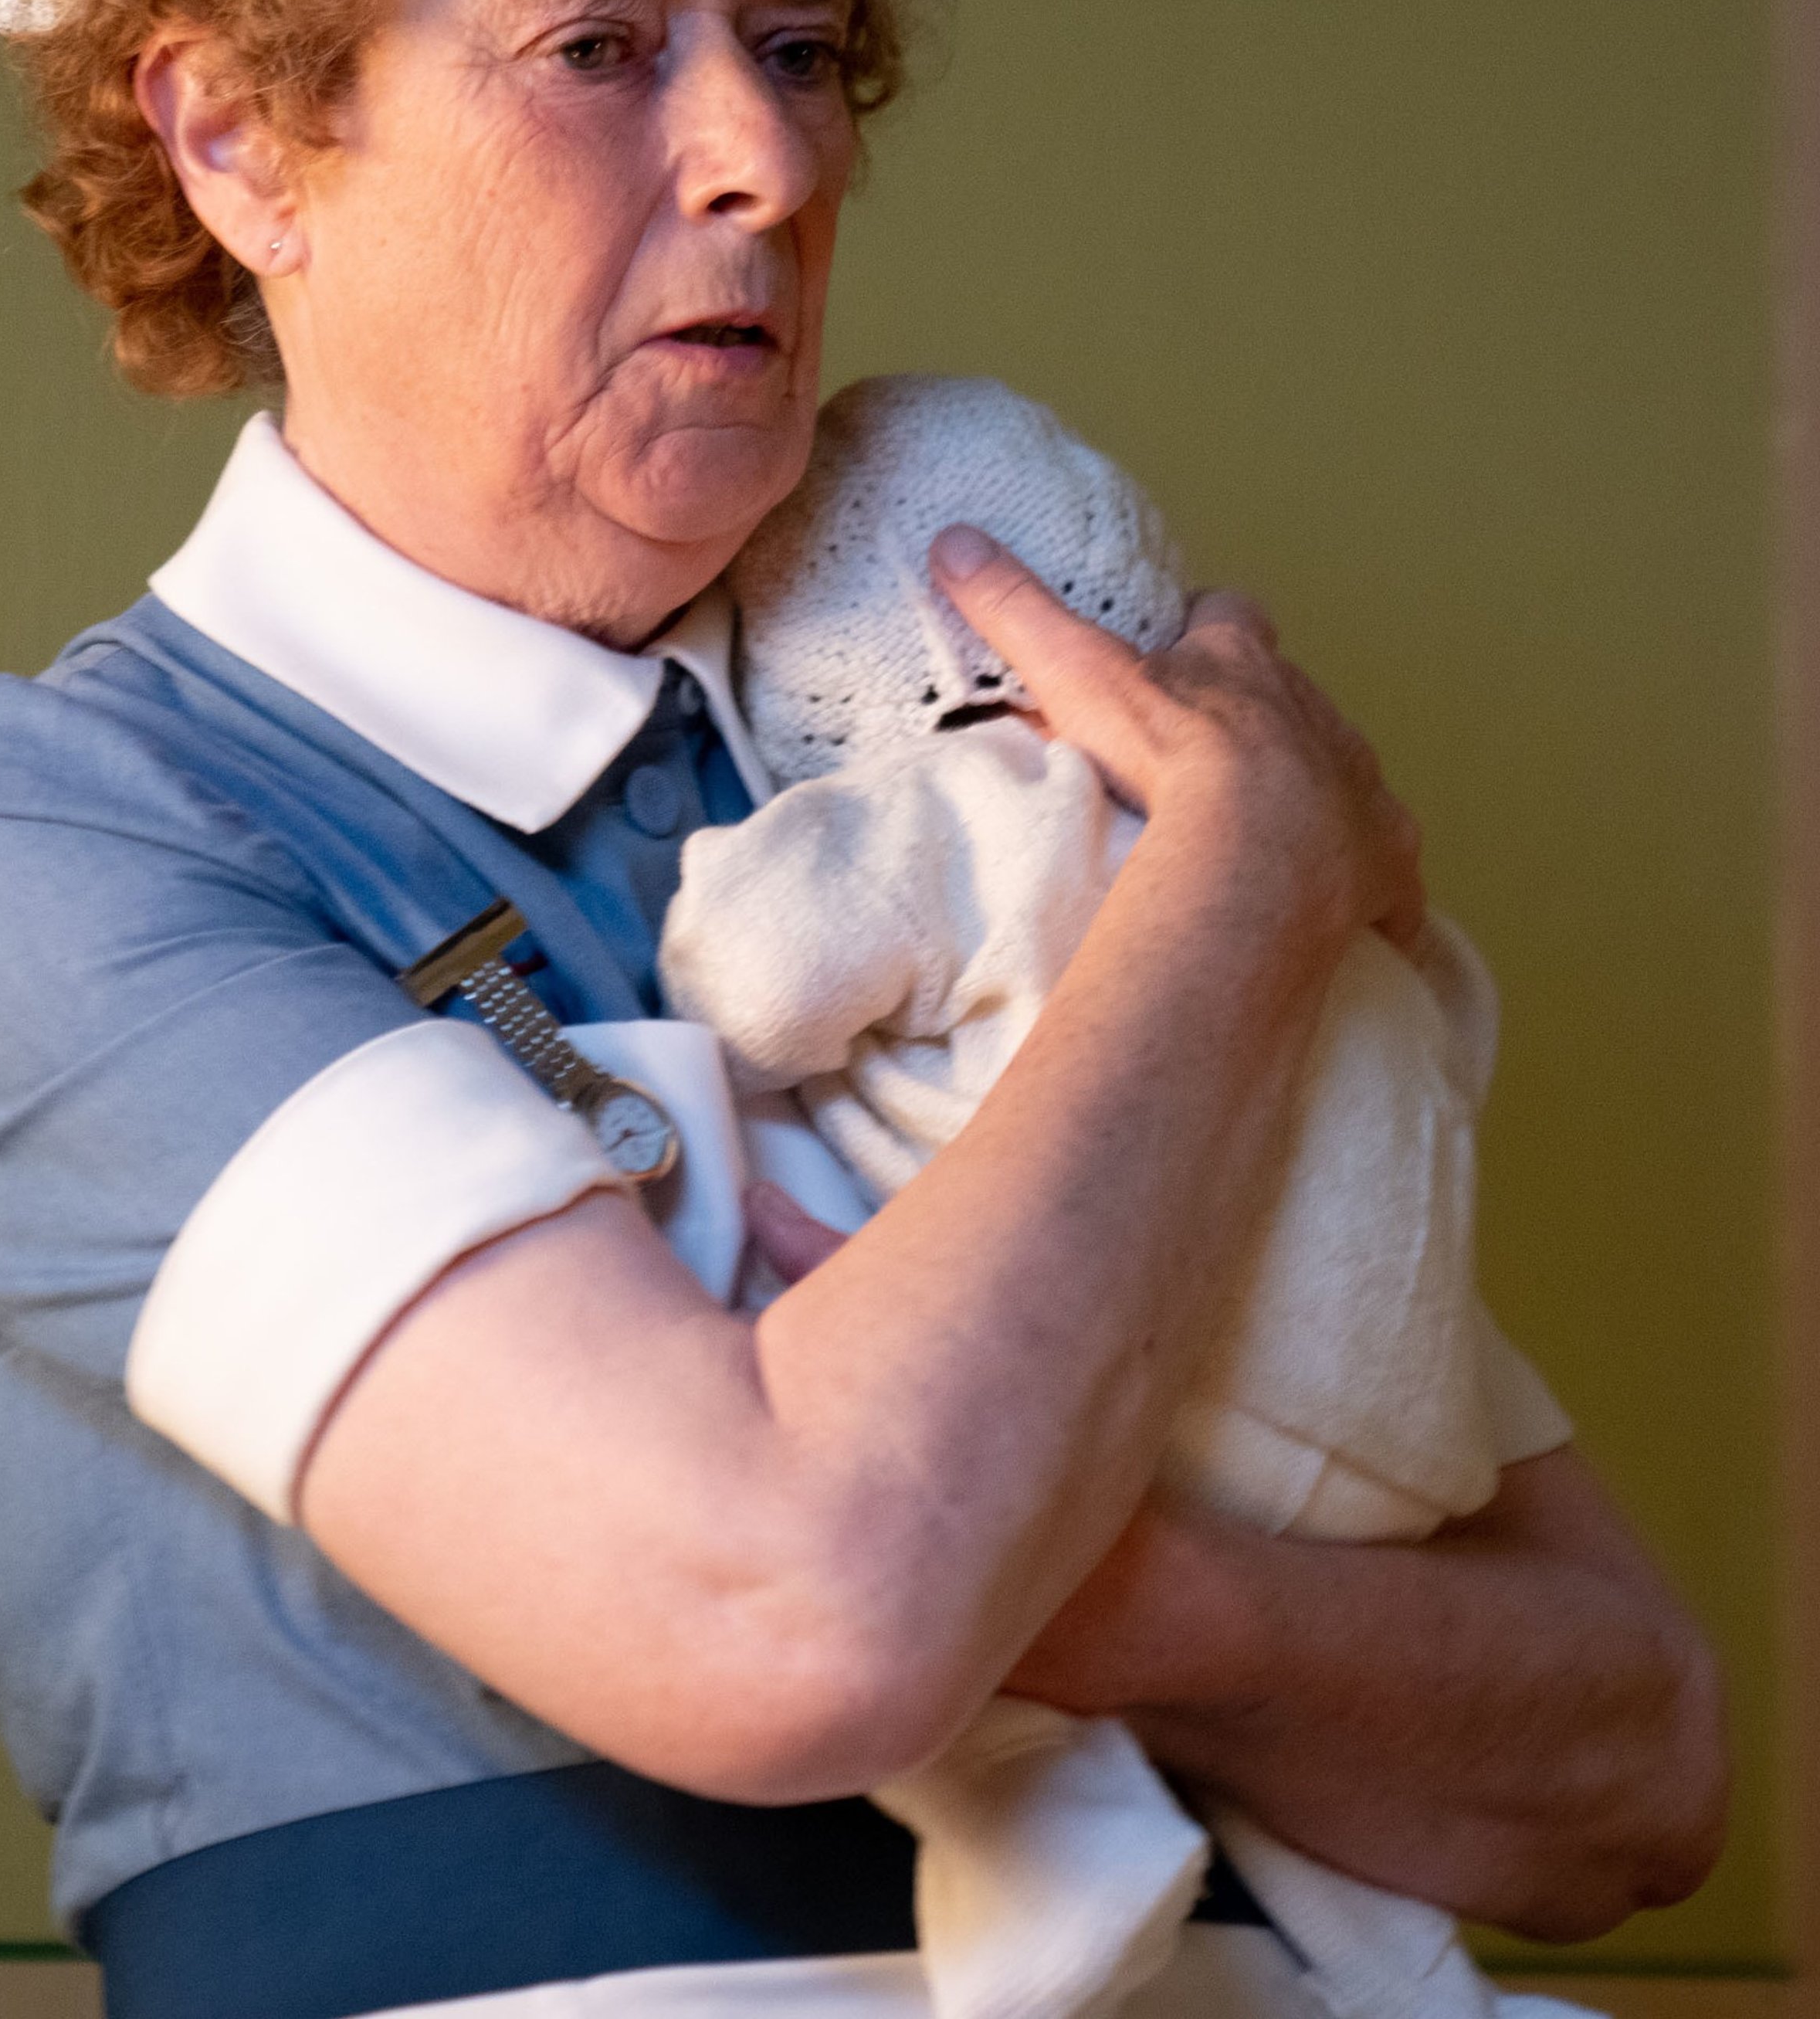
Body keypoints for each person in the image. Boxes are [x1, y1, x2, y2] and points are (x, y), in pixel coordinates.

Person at [0, 0, 1727, 2019]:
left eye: (801, 45)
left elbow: (1635, 1763)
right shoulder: (44, 841)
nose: (774, 160)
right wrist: (1250, 897)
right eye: (605, 46)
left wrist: (1084, 1575)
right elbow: (798, 1623)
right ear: (243, 136)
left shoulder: (981, 762)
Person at [660, 372, 1541, 2019]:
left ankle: (1044, 1877)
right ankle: (1416, 1980)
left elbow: (763, 982)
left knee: (972, 1656)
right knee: (1334, 1837)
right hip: (1408, 1449)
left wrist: (725, 862)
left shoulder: (961, 805)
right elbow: (1452, 1036)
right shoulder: (1322, 858)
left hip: (1187, 1419)